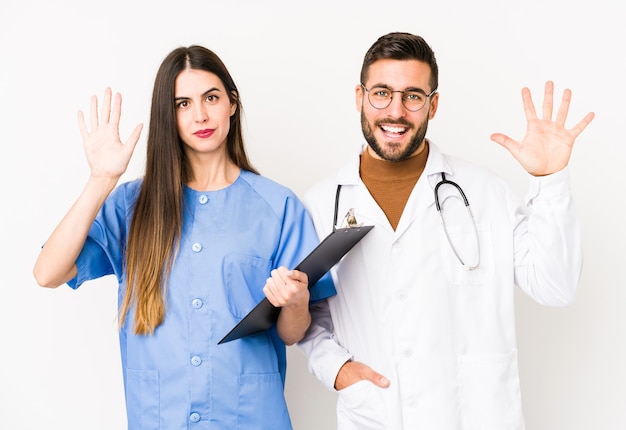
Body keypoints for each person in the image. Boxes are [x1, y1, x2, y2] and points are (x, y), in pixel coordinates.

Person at [297, 32, 595, 429]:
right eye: (382, 93)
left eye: (413, 96)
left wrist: (551, 178)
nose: (396, 111)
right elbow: (308, 313)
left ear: (433, 105)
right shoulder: (321, 203)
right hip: (375, 414)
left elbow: (555, 286)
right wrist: (338, 371)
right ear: (360, 97)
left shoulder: (484, 192)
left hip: (473, 415)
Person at [33, 45, 335, 429]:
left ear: (232, 104)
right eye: (182, 104)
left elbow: (292, 334)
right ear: (168, 115)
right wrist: (101, 180)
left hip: (250, 417)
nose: (201, 115)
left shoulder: (278, 206)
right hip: (161, 417)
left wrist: (295, 303)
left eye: (211, 98)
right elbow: (48, 273)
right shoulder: (131, 205)